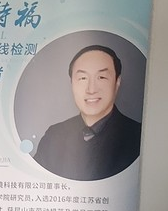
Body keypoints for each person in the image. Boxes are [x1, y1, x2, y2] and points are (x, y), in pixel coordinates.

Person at [33, 44, 142, 181]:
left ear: (117, 81)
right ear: (71, 83)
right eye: (83, 78)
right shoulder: (54, 136)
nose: (91, 89)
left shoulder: (139, 137)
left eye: (101, 77)